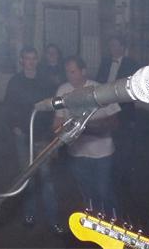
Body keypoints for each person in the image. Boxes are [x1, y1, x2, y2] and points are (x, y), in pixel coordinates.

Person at [4, 47, 63, 234]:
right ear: (21, 60)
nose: (30, 61)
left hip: (42, 136)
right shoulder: (15, 81)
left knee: (46, 178)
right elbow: (8, 106)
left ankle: (53, 220)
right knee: (27, 176)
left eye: (33, 58)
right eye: (27, 58)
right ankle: (29, 214)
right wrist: (14, 126)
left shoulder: (45, 80)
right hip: (23, 135)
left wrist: (50, 130)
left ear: (37, 60)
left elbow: (52, 106)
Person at [55, 56, 120, 214]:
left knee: (104, 192)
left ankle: (114, 222)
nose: (70, 76)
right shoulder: (63, 91)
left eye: (73, 72)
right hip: (77, 153)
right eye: (67, 72)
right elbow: (58, 121)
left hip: (102, 153)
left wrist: (92, 127)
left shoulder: (100, 90)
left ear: (83, 71)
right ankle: (93, 223)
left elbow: (115, 121)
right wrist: (57, 135)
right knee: (87, 194)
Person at [96, 35, 140, 194]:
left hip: (124, 110)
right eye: (111, 46)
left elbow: (132, 88)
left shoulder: (131, 64)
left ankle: (123, 178)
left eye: (115, 45)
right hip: (106, 108)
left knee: (124, 145)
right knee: (108, 141)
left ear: (122, 47)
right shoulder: (105, 62)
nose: (112, 49)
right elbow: (98, 82)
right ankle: (107, 174)